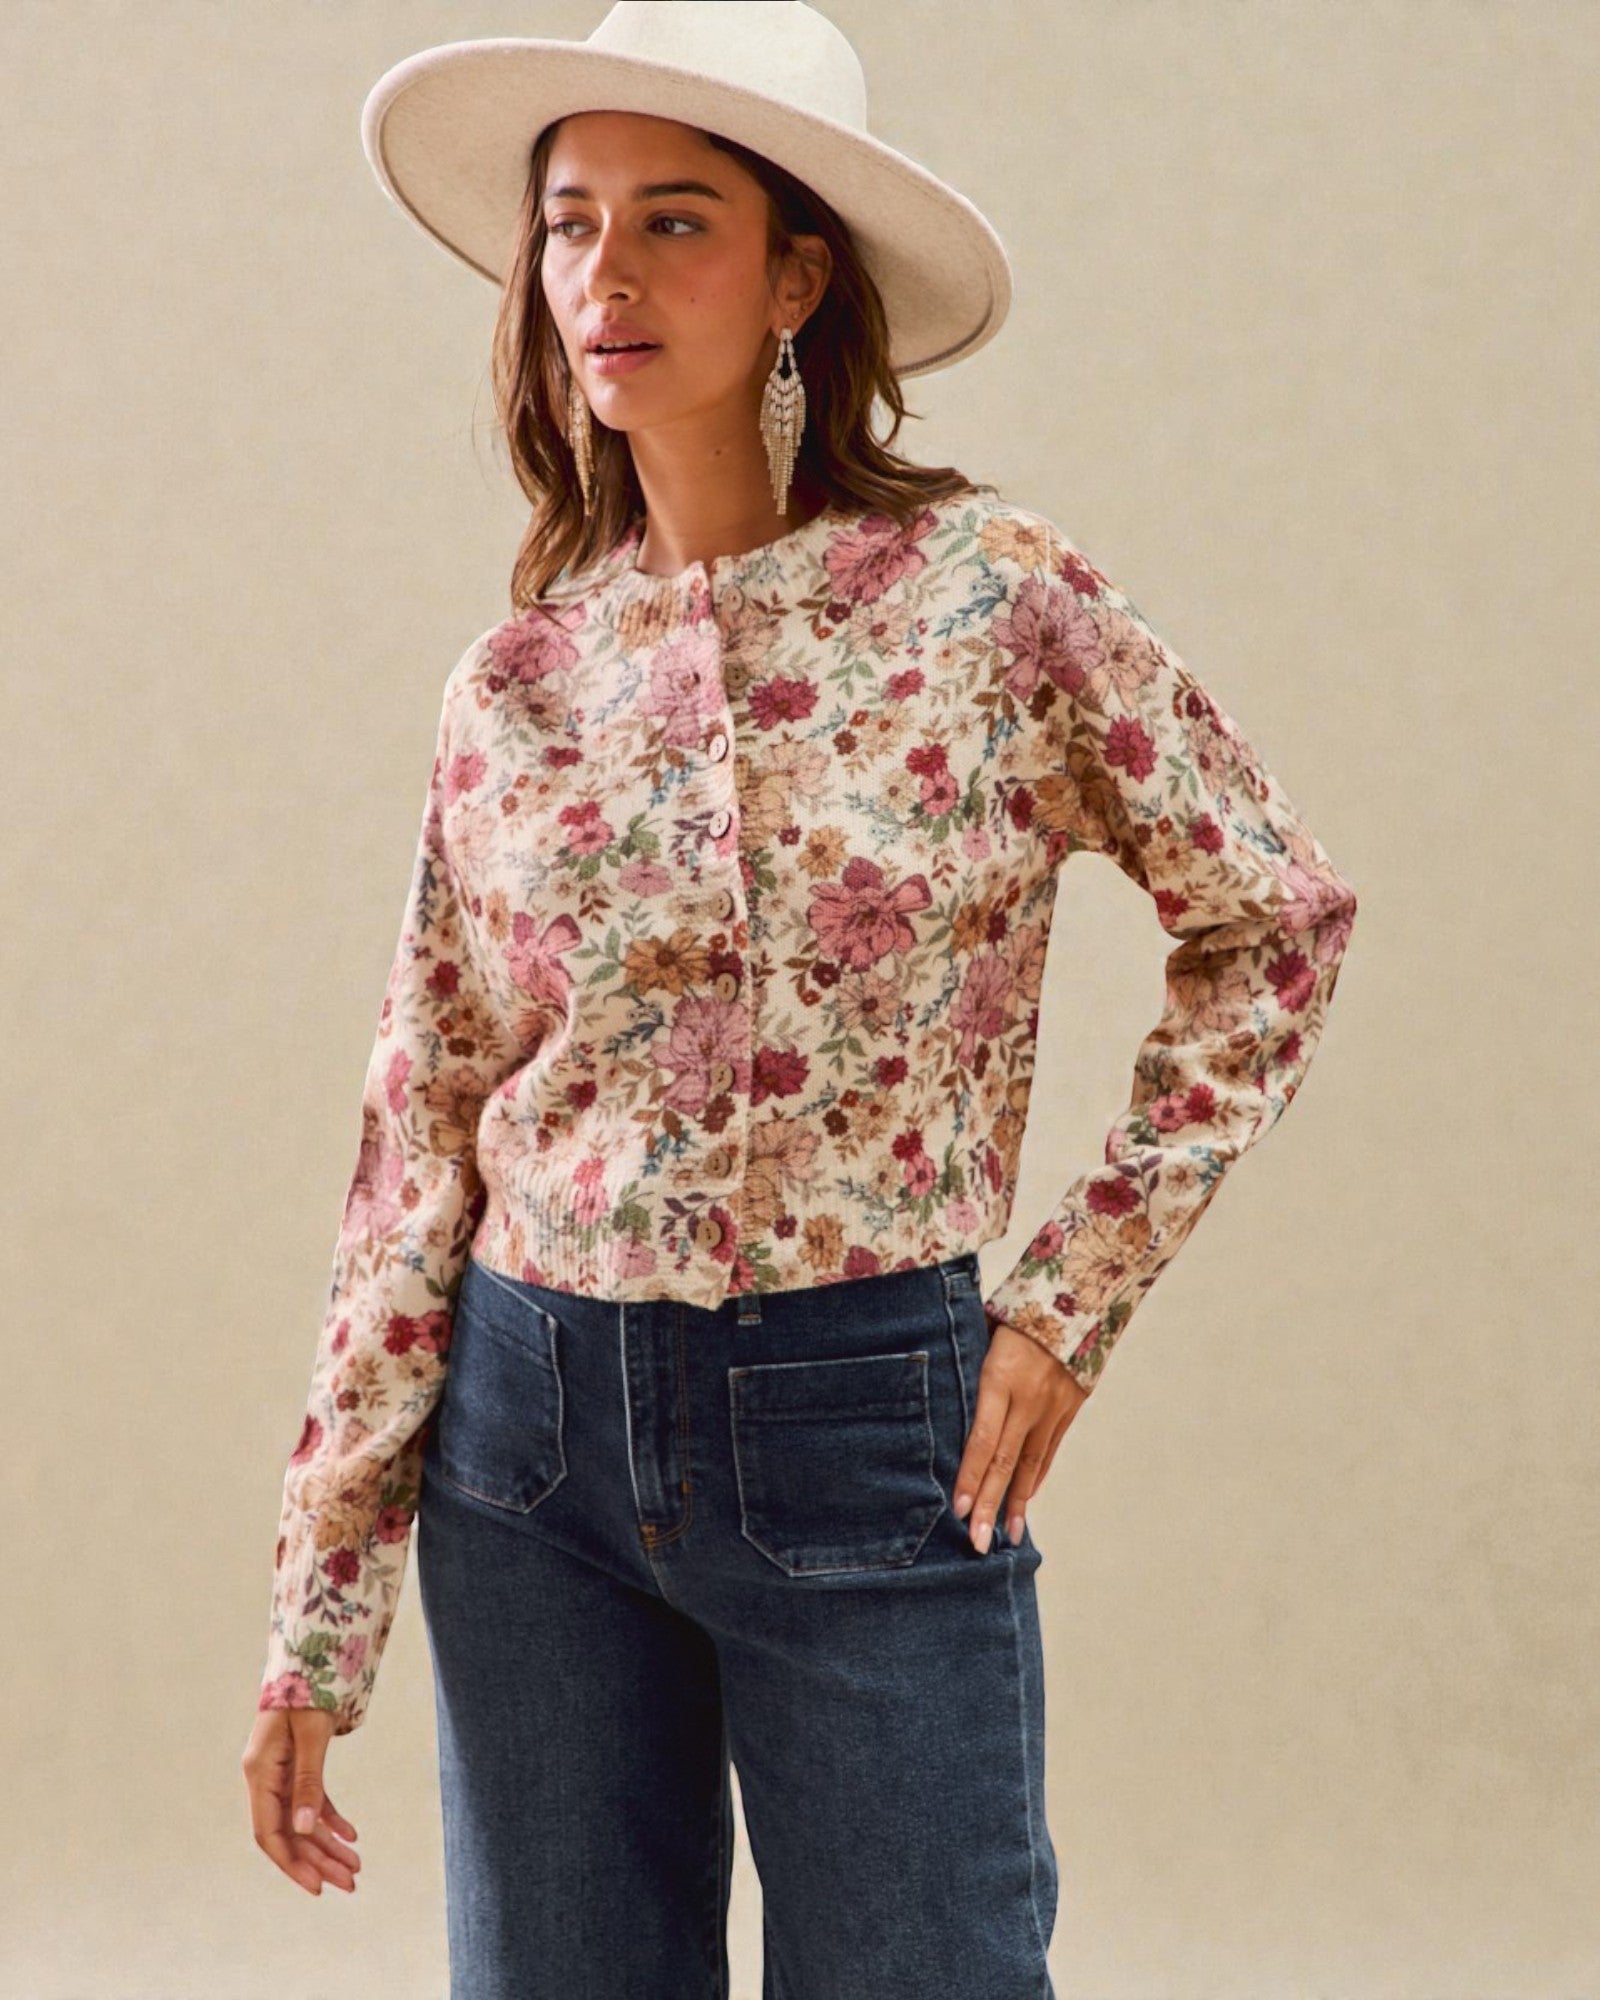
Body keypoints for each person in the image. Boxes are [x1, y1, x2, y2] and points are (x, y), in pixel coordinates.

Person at [240, 6, 1359, 1995]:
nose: (604, 275)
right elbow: (421, 1132)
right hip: (526, 1448)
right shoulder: (515, 685)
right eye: (570, 224)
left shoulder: (984, 602)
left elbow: (1267, 920)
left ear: (794, 276)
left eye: (675, 221)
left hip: (867, 1422)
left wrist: (1068, 1295)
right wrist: (317, 1610)